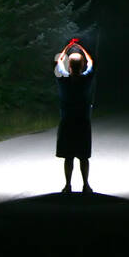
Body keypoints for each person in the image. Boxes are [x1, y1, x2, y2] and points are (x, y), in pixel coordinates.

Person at [53, 38, 95, 193]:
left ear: (69, 66)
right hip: (83, 122)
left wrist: (67, 47)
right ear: (82, 65)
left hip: (67, 122)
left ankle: (67, 185)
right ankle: (86, 185)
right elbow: (91, 63)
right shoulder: (87, 80)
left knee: (68, 156)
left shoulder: (63, 80)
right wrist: (81, 48)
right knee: (84, 156)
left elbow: (58, 62)